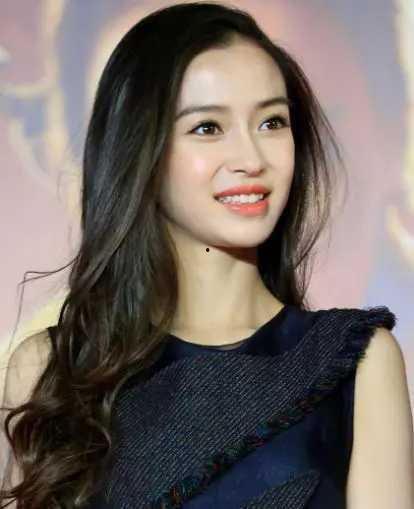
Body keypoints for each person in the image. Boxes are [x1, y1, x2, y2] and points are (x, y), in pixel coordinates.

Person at [1, 2, 413, 508]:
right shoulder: (51, 371)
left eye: (272, 122)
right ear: (140, 150)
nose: (251, 159)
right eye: (207, 128)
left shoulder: (356, 362)